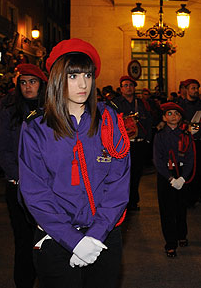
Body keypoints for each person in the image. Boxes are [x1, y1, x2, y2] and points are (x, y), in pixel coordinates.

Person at [18, 38, 131, 288]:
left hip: (103, 235)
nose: (83, 84)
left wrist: (95, 235)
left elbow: (118, 184)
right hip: (55, 236)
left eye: (88, 75)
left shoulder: (109, 120)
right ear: (58, 78)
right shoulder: (36, 127)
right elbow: (35, 191)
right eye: (73, 76)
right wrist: (74, 241)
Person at [0, 63, 47, 288]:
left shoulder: (52, 111)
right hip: (19, 186)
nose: (27, 87)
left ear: (42, 85)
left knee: (48, 241)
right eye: (23, 82)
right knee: (24, 241)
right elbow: (1, 149)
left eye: (32, 82)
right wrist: (19, 176)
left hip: (48, 188)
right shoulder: (9, 113)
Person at [153, 102, 196, 258]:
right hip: (166, 176)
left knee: (181, 207)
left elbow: (191, 157)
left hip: (182, 174)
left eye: (176, 114)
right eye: (169, 113)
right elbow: (157, 160)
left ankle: (181, 234)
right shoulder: (159, 136)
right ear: (164, 117)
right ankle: (170, 243)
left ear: (180, 118)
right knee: (167, 210)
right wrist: (170, 178)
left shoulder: (186, 135)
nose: (173, 116)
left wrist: (183, 177)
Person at [111, 75, 153, 211]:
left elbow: (149, 121)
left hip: (139, 143)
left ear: (134, 87)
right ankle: (122, 201)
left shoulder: (142, 103)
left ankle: (133, 201)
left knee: (136, 173)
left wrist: (147, 139)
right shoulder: (115, 103)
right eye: (125, 85)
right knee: (122, 174)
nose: (128, 88)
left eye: (130, 85)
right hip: (123, 144)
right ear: (121, 88)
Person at [179, 78, 201, 205]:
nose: (196, 90)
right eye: (193, 88)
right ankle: (189, 197)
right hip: (187, 142)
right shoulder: (181, 105)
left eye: (197, 88)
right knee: (188, 169)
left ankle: (200, 194)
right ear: (187, 90)